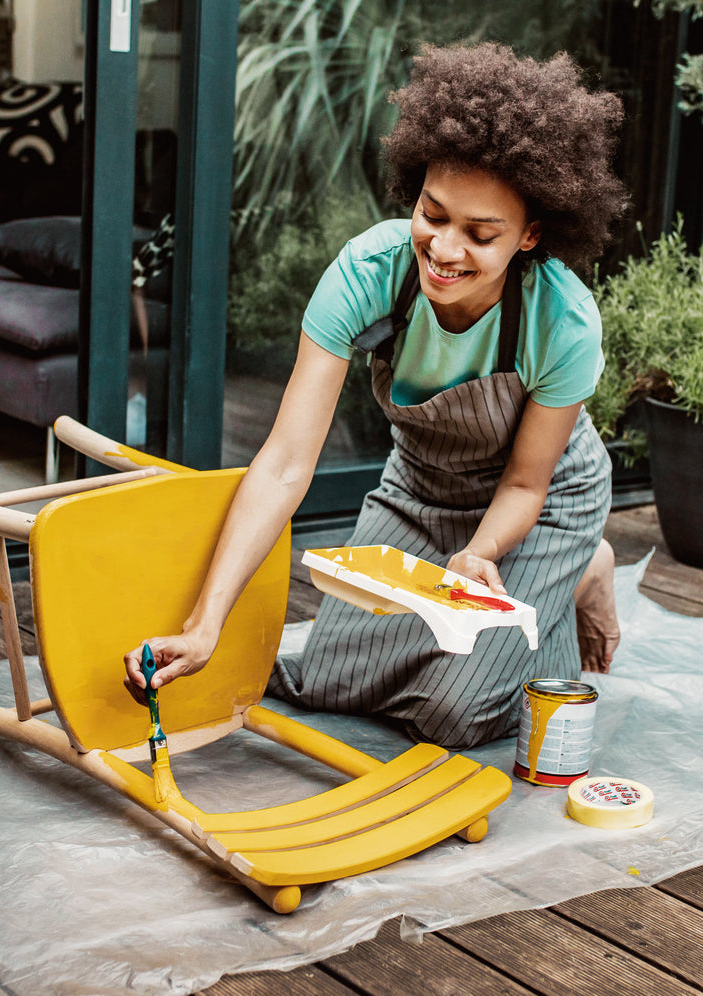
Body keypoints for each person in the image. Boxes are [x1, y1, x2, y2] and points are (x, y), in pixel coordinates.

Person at [126, 43, 629, 750]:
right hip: (420, 488)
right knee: (330, 681)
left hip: (539, 505)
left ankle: (577, 568)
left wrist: (480, 553)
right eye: (433, 214)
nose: (444, 249)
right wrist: (205, 624)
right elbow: (285, 464)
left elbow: (525, 483)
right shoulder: (369, 274)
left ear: (530, 235)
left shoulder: (562, 320)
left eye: (480, 234)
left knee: (457, 712)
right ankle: (542, 587)